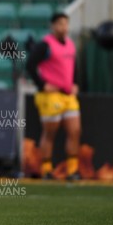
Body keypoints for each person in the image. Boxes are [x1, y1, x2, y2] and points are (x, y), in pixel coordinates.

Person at [26, 13, 81, 181]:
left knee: (75, 131)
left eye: (66, 24)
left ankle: (72, 170)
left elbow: (73, 66)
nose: (64, 27)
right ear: (53, 26)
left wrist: (76, 83)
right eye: (60, 24)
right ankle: (47, 169)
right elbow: (30, 65)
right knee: (50, 133)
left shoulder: (71, 45)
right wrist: (42, 85)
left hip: (68, 95)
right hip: (51, 96)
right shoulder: (45, 45)